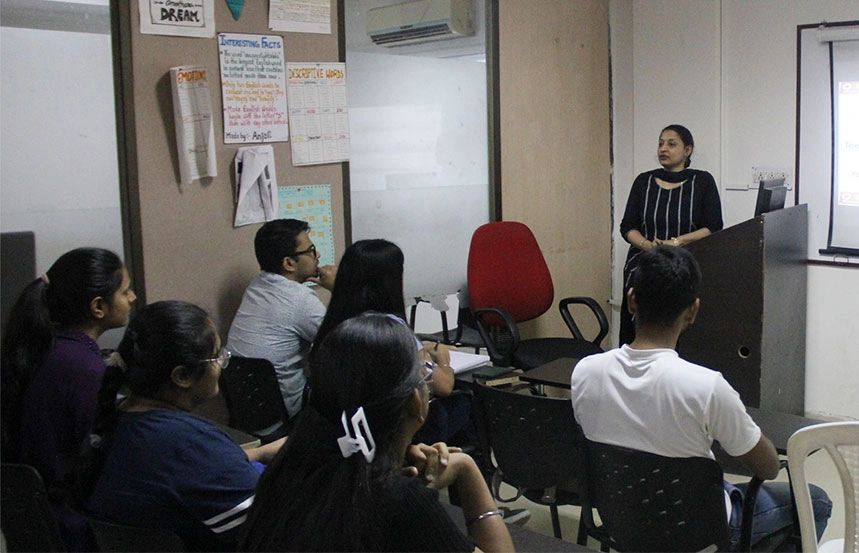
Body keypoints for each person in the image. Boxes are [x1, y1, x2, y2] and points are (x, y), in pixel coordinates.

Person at [570, 246, 831, 551]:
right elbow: (768, 467)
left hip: (622, 518)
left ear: (631, 299)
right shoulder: (707, 388)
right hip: (699, 531)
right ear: (693, 310)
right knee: (817, 502)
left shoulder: (585, 372)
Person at [238, 313, 514, 552]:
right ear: (415, 403)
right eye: (425, 372)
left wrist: (396, 458)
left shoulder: (289, 469)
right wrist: (467, 471)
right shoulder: (398, 500)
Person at [74, 300, 284, 551]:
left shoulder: (118, 419)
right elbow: (273, 527)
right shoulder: (187, 442)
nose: (221, 363)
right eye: (216, 356)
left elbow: (174, 473)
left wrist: (256, 454)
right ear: (182, 376)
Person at [0, 247, 135, 550]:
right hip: (73, 525)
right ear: (98, 306)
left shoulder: (38, 349)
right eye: (125, 291)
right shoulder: (81, 367)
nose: (132, 298)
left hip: (33, 521)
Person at [308, 239, 465, 445]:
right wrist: (443, 362)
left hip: (345, 432)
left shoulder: (334, 323)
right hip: (392, 434)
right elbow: (443, 386)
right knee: (465, 402)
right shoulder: (393, 330)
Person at [619, 124, 723, 345]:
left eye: (671, 144)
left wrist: (676, 243)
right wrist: (648, 246)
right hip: (644, 261)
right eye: (660, 143)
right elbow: (627, 227)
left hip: (687, 261)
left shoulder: (702, 181)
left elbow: (712, 226)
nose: (663, 149)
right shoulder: (643, 181)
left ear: (688, 150)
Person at [227, 218, 336, 418]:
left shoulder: (257, 285)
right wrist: (339, 289)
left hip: (249, 411)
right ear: (288, 263)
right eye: (311, 250)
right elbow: (346, 343)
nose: (318, 255)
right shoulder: (298, 298)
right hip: (287, 411)